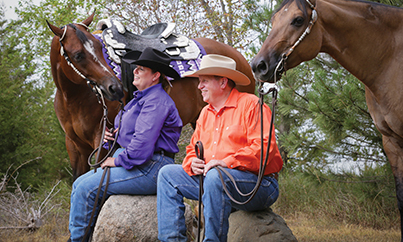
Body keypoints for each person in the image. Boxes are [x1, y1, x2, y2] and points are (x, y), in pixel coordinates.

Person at [157, 54, 283, 242]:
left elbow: (264, 149)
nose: (199, 86)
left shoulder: (251, 105)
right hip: (214, 182)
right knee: (167, 174)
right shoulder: (205, 114)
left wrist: (226, 163)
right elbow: (192, 148)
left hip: (259, 185)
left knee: (217, 176)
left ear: (223, 82)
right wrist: (192, 162)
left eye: (204, 81)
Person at [68, 47, 183, 242]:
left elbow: (142, 145)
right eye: (136, 68)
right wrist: (114, 137)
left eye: (141, 69)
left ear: (155, 76)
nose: (135, 71)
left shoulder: (156, 101)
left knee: (85, 189)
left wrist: (117, 160)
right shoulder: (140, 99)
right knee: (79, 183)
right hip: (142, 164)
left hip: (151, 167)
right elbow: (134, 134)